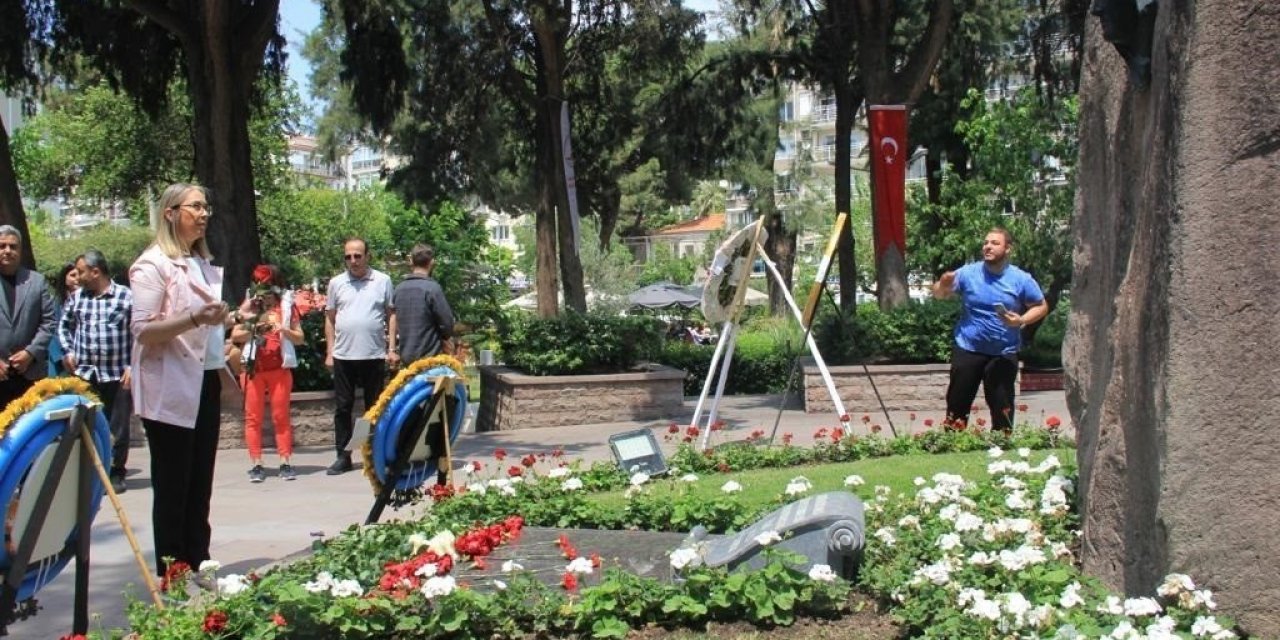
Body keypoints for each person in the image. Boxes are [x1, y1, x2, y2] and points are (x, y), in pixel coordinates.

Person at [129, 183, 230, 576]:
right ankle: (172, 567)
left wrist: (232, 319)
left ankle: (199, 558)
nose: (204, 214)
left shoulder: (202, 263)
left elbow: (207, 328)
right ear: (171, 213)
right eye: (195, 207)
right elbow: (143, 330)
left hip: (204, 380)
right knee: (174, 483)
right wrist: (195, 319)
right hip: (169, 386)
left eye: (207, 207)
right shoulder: (151, 265)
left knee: (200, 478)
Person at [932, 227, 1048, 433]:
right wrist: (943, 284)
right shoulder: (968, 273)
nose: (988, 246)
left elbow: (1041, 306)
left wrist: (1020, 320)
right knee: (957, 405)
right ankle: (950, 445)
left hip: (1003, 352)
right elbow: (940, 294)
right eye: (986, 242)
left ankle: (1002, 447)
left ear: (1008, 249)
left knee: (1002, 408)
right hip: (968, 347)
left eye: (995, 243)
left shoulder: (1021, 279)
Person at [58, 250, 134, 493]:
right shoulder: (77, 298)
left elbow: (139, 334)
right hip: (86, 375)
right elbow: (64, 326)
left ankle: (115, 472)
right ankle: (88, 472)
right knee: (85, 425)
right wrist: (68, 351)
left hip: (117, 374)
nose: (77, 277)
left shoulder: (125, 297)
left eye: (81, 272)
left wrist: (133, 365)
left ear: (96, 271)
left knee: (118, 426)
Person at [324, 237, 395, 475]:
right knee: (343, 407)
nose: (353, 261)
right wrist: (329, 352)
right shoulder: (337, 283)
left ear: (367, 256)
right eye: (348, 256)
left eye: (357, 255)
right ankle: (343, 456)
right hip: (344, 355)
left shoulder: (382, 281)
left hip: (373, 354)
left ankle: (373, 452)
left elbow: (390, 315)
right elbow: (330, 317)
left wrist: (392, 348)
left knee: (373, 407)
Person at [231, 265, 304, 483]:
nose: (267, 297)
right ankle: (256, 463)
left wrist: (285, 330)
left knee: (280, 416)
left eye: (270, 292)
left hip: (279, 369)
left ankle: (285, 461)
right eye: (263, 292)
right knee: (252, 417)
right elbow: (236, 334)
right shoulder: (251, 309)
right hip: (254, 370)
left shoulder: (287, 309)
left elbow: (300, 337)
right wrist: (256, 327)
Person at [0, 225, 56, 410]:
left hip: (29, 374)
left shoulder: (37, 282)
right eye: (2, 246)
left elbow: (49, 322)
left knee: (31, 435)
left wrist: (31, 352)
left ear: (20, 250)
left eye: (13, 246)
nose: (8, 251)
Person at [392, 243, 455, 365]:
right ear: (431, 262)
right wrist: (446, 338)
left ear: (411, 261)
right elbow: (447, 322)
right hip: (430, 359)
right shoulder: (432, 289)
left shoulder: (399, 289)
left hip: (406, 358)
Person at [47, 262, 80, 378]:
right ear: (64, 279)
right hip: (60, 360)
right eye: (73, 275)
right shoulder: (55, 304)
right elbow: (50, 330)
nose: (77, 279)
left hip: (82, 359)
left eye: (80, 274)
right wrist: (61, 357)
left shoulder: (90, 302)